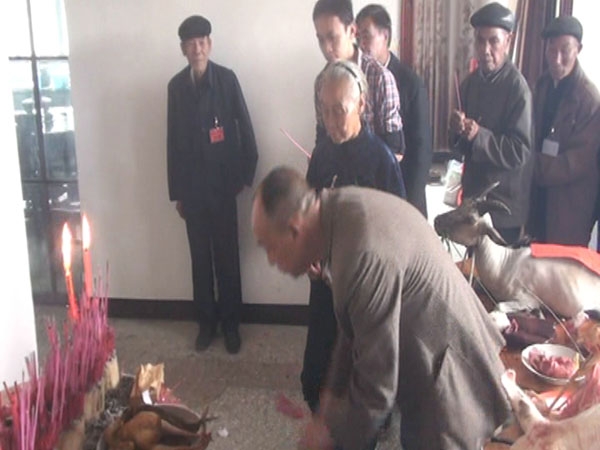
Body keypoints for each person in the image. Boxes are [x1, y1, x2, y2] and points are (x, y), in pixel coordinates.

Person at [252, 167, 511, 450]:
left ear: (294, 230)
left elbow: (376, 391)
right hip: (435, 362)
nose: (271, 261)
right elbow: (353, 327)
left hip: (454, 379)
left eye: (268, 247)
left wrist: (330, 438)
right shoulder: (338, 210)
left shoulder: (360, 252)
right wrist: (328, 406)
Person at [301, 60, 406, 416]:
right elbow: (310, 212)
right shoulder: (322, 154)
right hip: (326, 283)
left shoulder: (381, 160)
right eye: (324, 111)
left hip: (366, 289)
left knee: (362, 378)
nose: (331, 121)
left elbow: (399, 231)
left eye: (339, 111)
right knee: (316, 373)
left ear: (361, 104)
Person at [167, 15, 258, 354]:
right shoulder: (176, 87)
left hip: (222, 187)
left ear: (210, 44)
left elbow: (245, 128)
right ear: (183, 49)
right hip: (192, 191)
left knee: (227, 259)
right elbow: (172, 142)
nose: (197, 48)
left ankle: (231, 325)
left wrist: (243, 177)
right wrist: (177, 193)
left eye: (202, 41)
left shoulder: (226, 79)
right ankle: (206, 324)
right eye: (191, 43)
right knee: (200, 260)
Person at [449, 2, 532, 244]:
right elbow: (459, 150)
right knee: (472, 266)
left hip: (503, 208)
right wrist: (456, 130)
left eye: (493, 41)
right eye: (480, 41)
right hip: (474, 203)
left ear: (508, 41)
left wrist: (479, 135)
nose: (485, 50)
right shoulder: (469, 84)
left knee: (499, 268)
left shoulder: (518, 89)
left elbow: (520, 152)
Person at [527, 16, 600, 247]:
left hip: (568, 209)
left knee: (560, 264)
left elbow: (575, 162)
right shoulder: (542, 85)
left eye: (565, 50)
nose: (556, 59)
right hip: (539, 200)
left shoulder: (590, 100)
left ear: (578, 49)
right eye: (551, 49)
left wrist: (528, 165)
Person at [356, 4, 432, 217]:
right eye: (358, 38)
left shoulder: (410, 82)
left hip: (405, 194)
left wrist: (409, 204)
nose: (361, 45)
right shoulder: (356, 80)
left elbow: (421, 151)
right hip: (370, 196)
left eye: (367, 36)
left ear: (385, 36)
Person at [312, 0, 405, 156]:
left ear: (352, 30)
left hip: (373, 171)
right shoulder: (322, 82)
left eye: (332, 37)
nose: (326, 48)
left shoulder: (380, 77)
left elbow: (395, 151)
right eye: (321, 39)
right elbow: (322, 140)